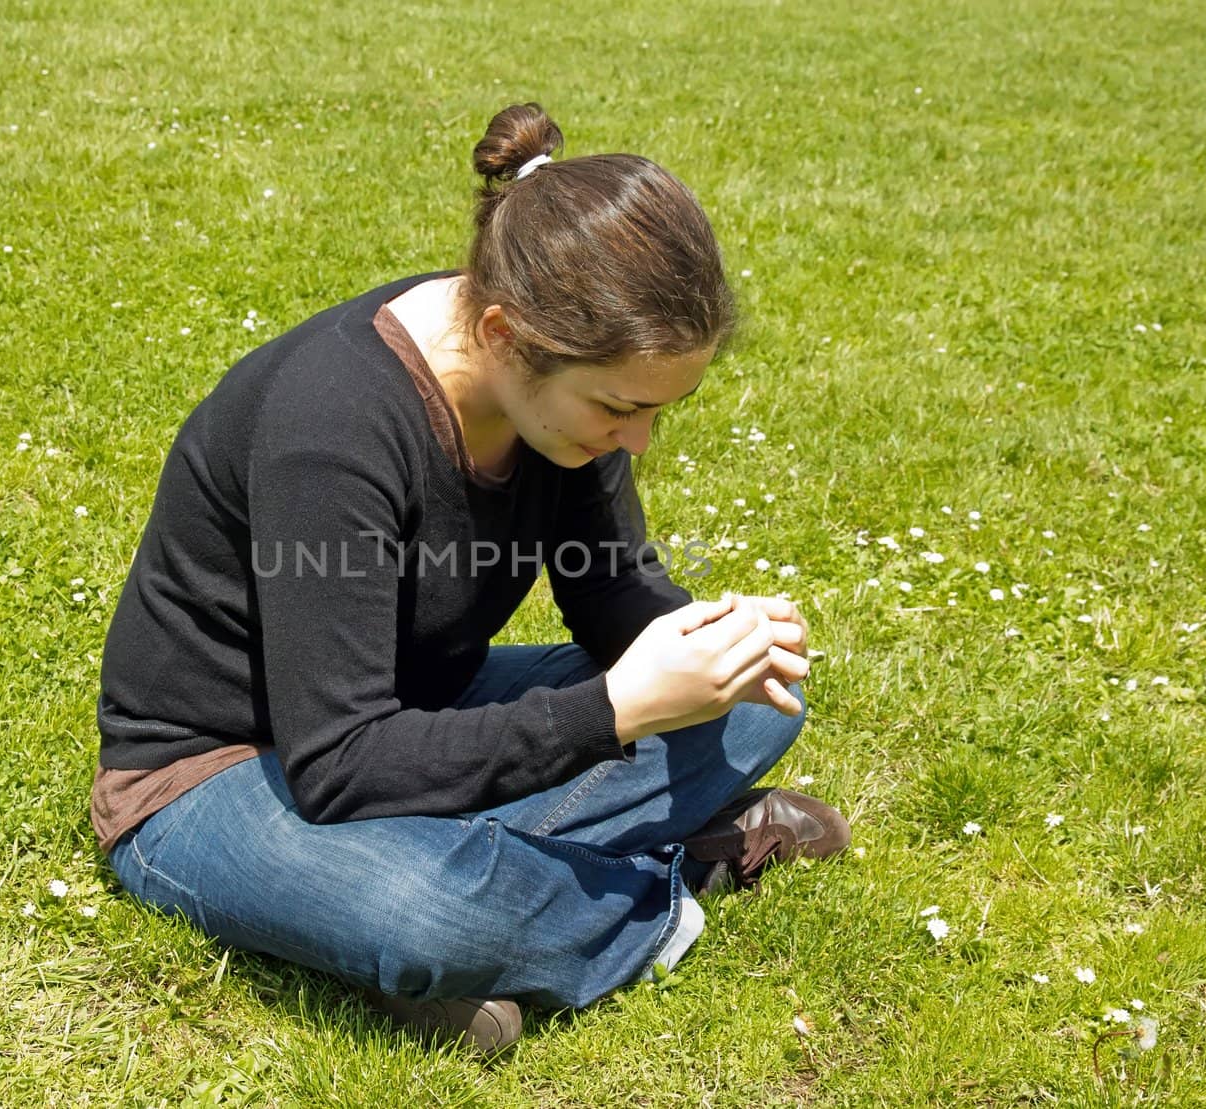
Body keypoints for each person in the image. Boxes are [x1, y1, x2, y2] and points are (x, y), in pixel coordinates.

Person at [92, 102, 849, 1056]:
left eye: (663, 408)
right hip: (219, 771)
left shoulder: (561, 391)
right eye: (620, 407)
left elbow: (610, 585)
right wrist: (614, 710)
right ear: (502, 331)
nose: (640, 439)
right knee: (431, 909)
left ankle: (500, 912)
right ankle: (654, 886)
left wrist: (706, 643)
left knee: (755, 704)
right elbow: (338, 762)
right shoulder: (333, 428)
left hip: (420, 709)